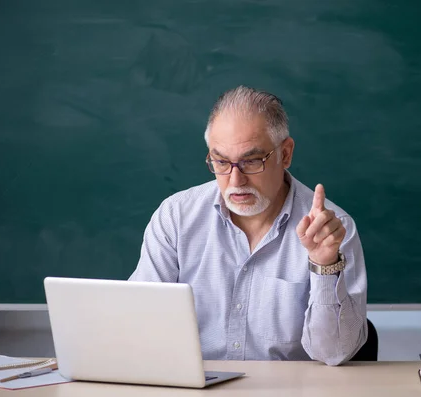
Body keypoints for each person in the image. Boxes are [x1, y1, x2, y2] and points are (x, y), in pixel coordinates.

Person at [129, 86, 368, 366]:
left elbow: (334, 354)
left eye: (252, 161)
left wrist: (324, 264)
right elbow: (139, 327)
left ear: (286, 153)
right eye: (220, 162)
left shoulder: (332, 230)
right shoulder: (176, 217)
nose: (235, 180)